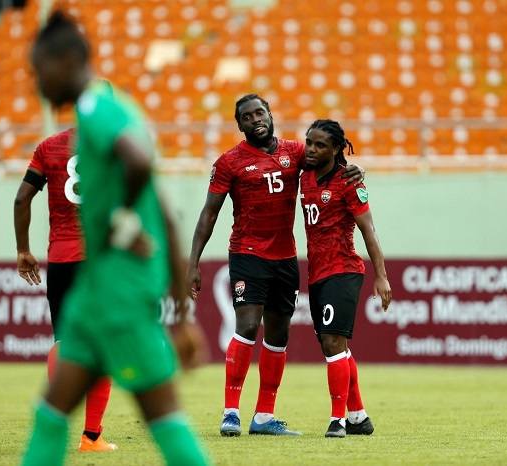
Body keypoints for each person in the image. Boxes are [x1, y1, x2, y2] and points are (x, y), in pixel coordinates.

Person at [21, 11, 209, 466]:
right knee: (51, 413)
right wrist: (180, 309)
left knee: (163, 415)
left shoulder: (94, 109)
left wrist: (120, 222)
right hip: (96, 291)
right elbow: (162, 208)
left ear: (67, 59)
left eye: (38, 69)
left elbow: (139, 162)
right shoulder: (118, 106)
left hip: (117, 296)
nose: (36, 83)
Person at [187, 94, 364, 436]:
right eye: (247, 116)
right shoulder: (229, 162)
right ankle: (230, 412)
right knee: (248, 324)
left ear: (269, 114)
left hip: (285, 258)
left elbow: (330, 161)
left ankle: (264, 416)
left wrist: (354, 167)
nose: (256, 119)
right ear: (239, 125)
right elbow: (209, 214)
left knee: (279, 334)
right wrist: (193, 262)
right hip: (248, 253)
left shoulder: (296, 152)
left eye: (260, 112)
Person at [14, 128, 117, 452]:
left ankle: (54, 429)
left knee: (63, 342)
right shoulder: (116, 143)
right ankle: (91, 436)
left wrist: (23, 250)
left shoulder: (49, 147)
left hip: (60, 259)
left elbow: (21, 198)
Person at [300, 120, 392, 438]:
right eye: (309, 143)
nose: (311, 149)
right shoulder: (304, 173)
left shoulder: (348, 181)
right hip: (316, 273)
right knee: (335, 347)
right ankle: (358, 417)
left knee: (333, 343)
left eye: (320, 145)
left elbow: (369, 229)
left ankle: (337, 420)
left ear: (337, 148)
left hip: (344, 269)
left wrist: (381, 276)